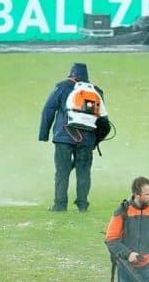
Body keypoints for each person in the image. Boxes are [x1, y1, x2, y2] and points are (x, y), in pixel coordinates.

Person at [38, 62, 107, 212]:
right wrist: (95, 141)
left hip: (63, 137)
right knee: (83, 172)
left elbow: (48, 110)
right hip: (87, 139)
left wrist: (44, 134)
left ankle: (60, 205)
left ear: (71, 74)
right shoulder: (96, 91)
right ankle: (82, 205)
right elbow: (103, 120)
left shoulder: (62, 86)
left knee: (62, 171)